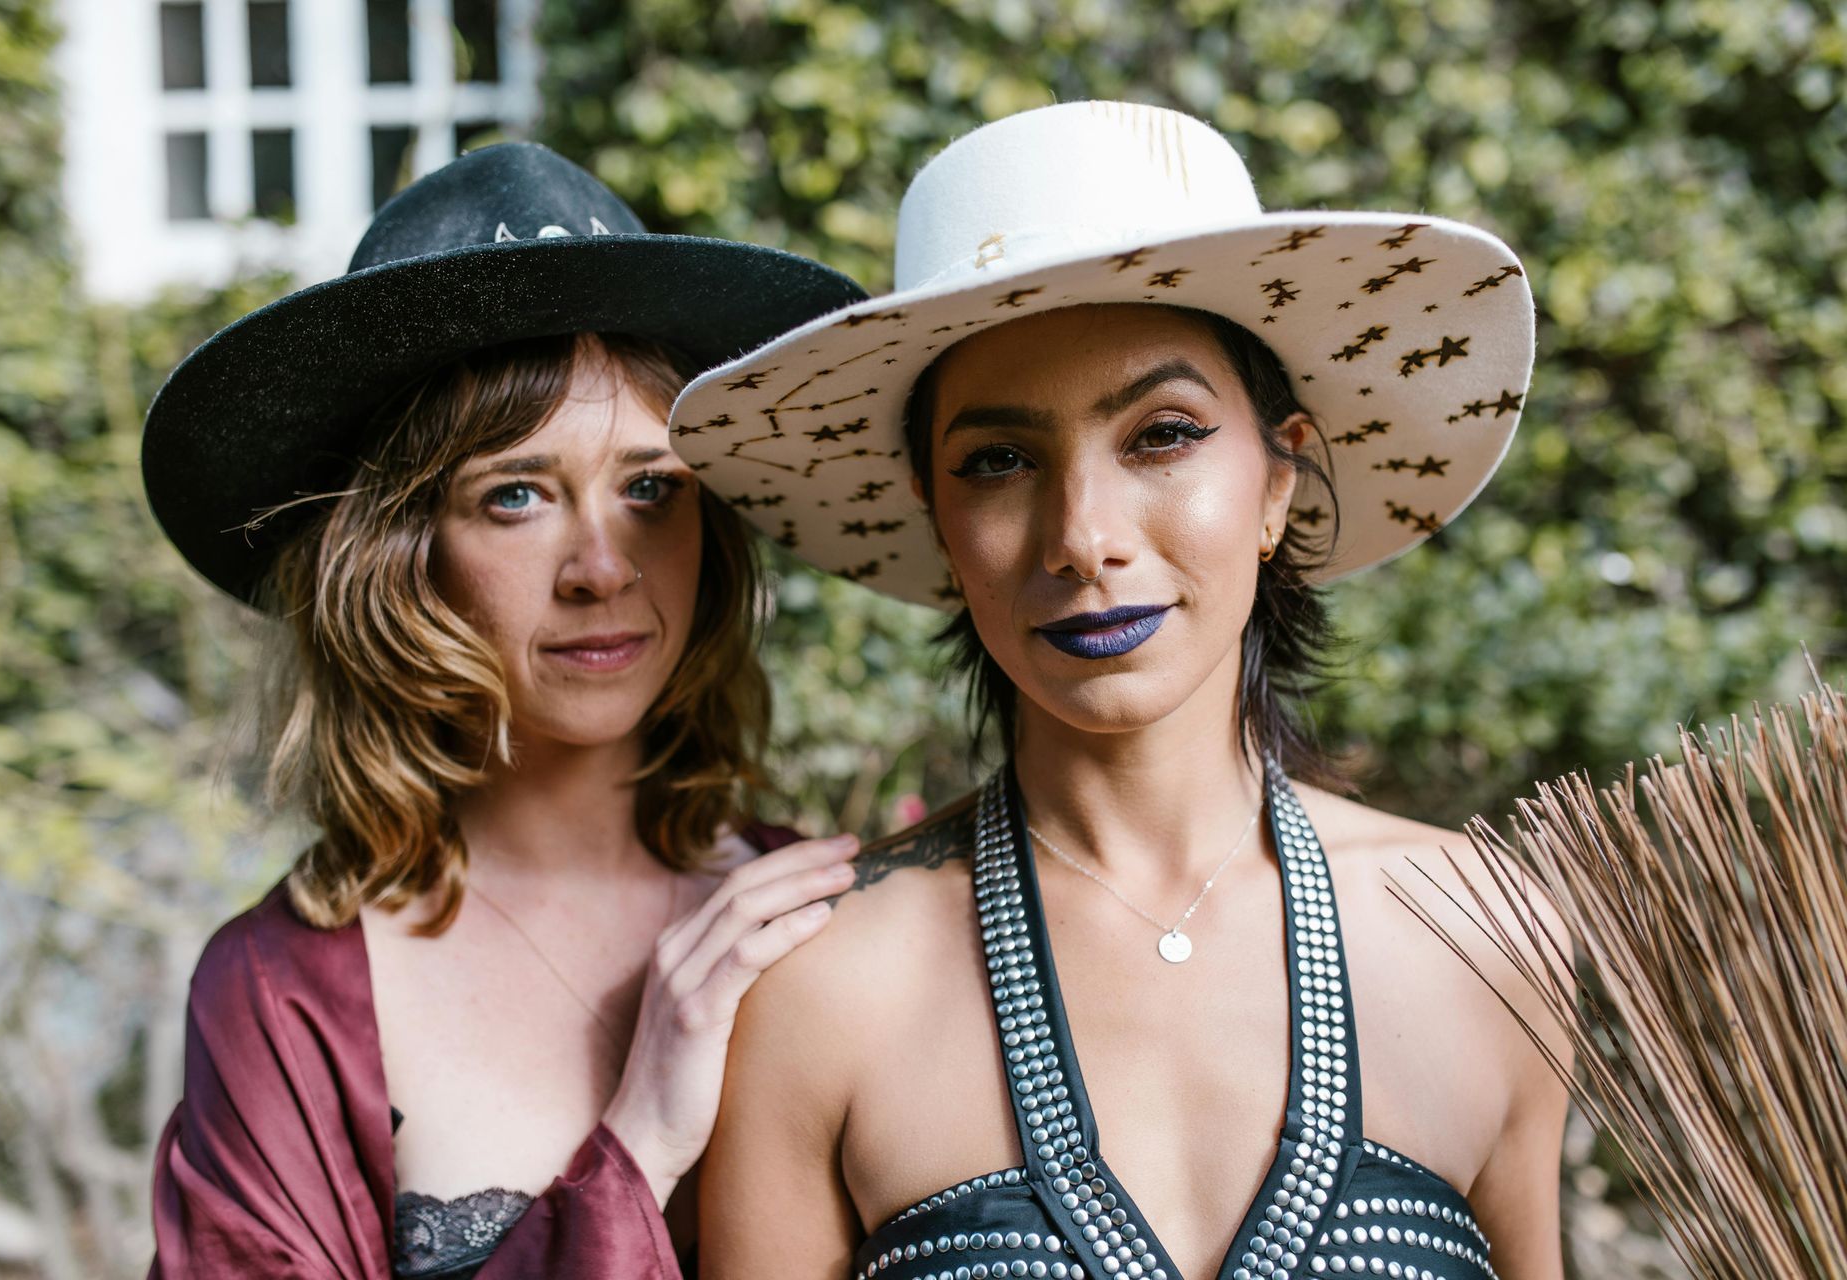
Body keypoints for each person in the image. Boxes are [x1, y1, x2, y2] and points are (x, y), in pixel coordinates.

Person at [671, 102, 1570, 1280]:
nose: (1083, 537)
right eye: (998, 461)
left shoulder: (1480, 928)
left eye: (1162, 434)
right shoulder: (821, 985)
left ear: (1278, 478)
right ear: (938, 520)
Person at [140, 142, 868, 1279]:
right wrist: (642, 1139)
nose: (600, 568)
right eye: (516, 494)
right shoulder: (287, 997)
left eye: (650, 489)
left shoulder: (813, 918)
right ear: (400, 556)